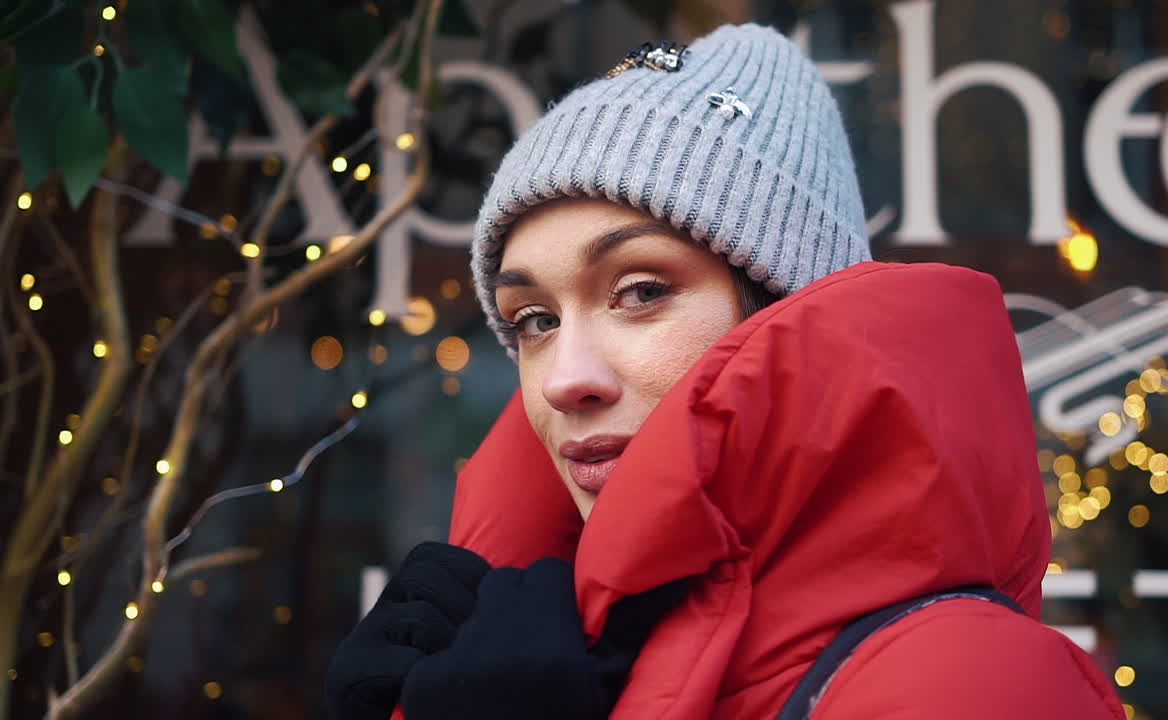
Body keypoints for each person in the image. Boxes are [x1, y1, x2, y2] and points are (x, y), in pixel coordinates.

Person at [327, 23, 1126, 720]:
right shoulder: (529, 649)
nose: (564, 379)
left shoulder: (975, 683)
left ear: (795, 317)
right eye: (534, 320)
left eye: (642, 291)